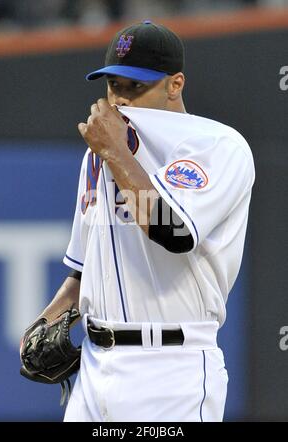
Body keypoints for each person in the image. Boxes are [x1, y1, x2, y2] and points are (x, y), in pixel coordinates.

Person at [36, 20, 255, 422]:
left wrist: (116, 152)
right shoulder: (99, 155)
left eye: (135, 87)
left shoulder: (217, 146)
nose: (119, 100)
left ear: (175, 85)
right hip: (96, 366)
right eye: (113, 85)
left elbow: (173, 232)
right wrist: (48, 317)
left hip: (171, 368)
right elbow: (84, 267)